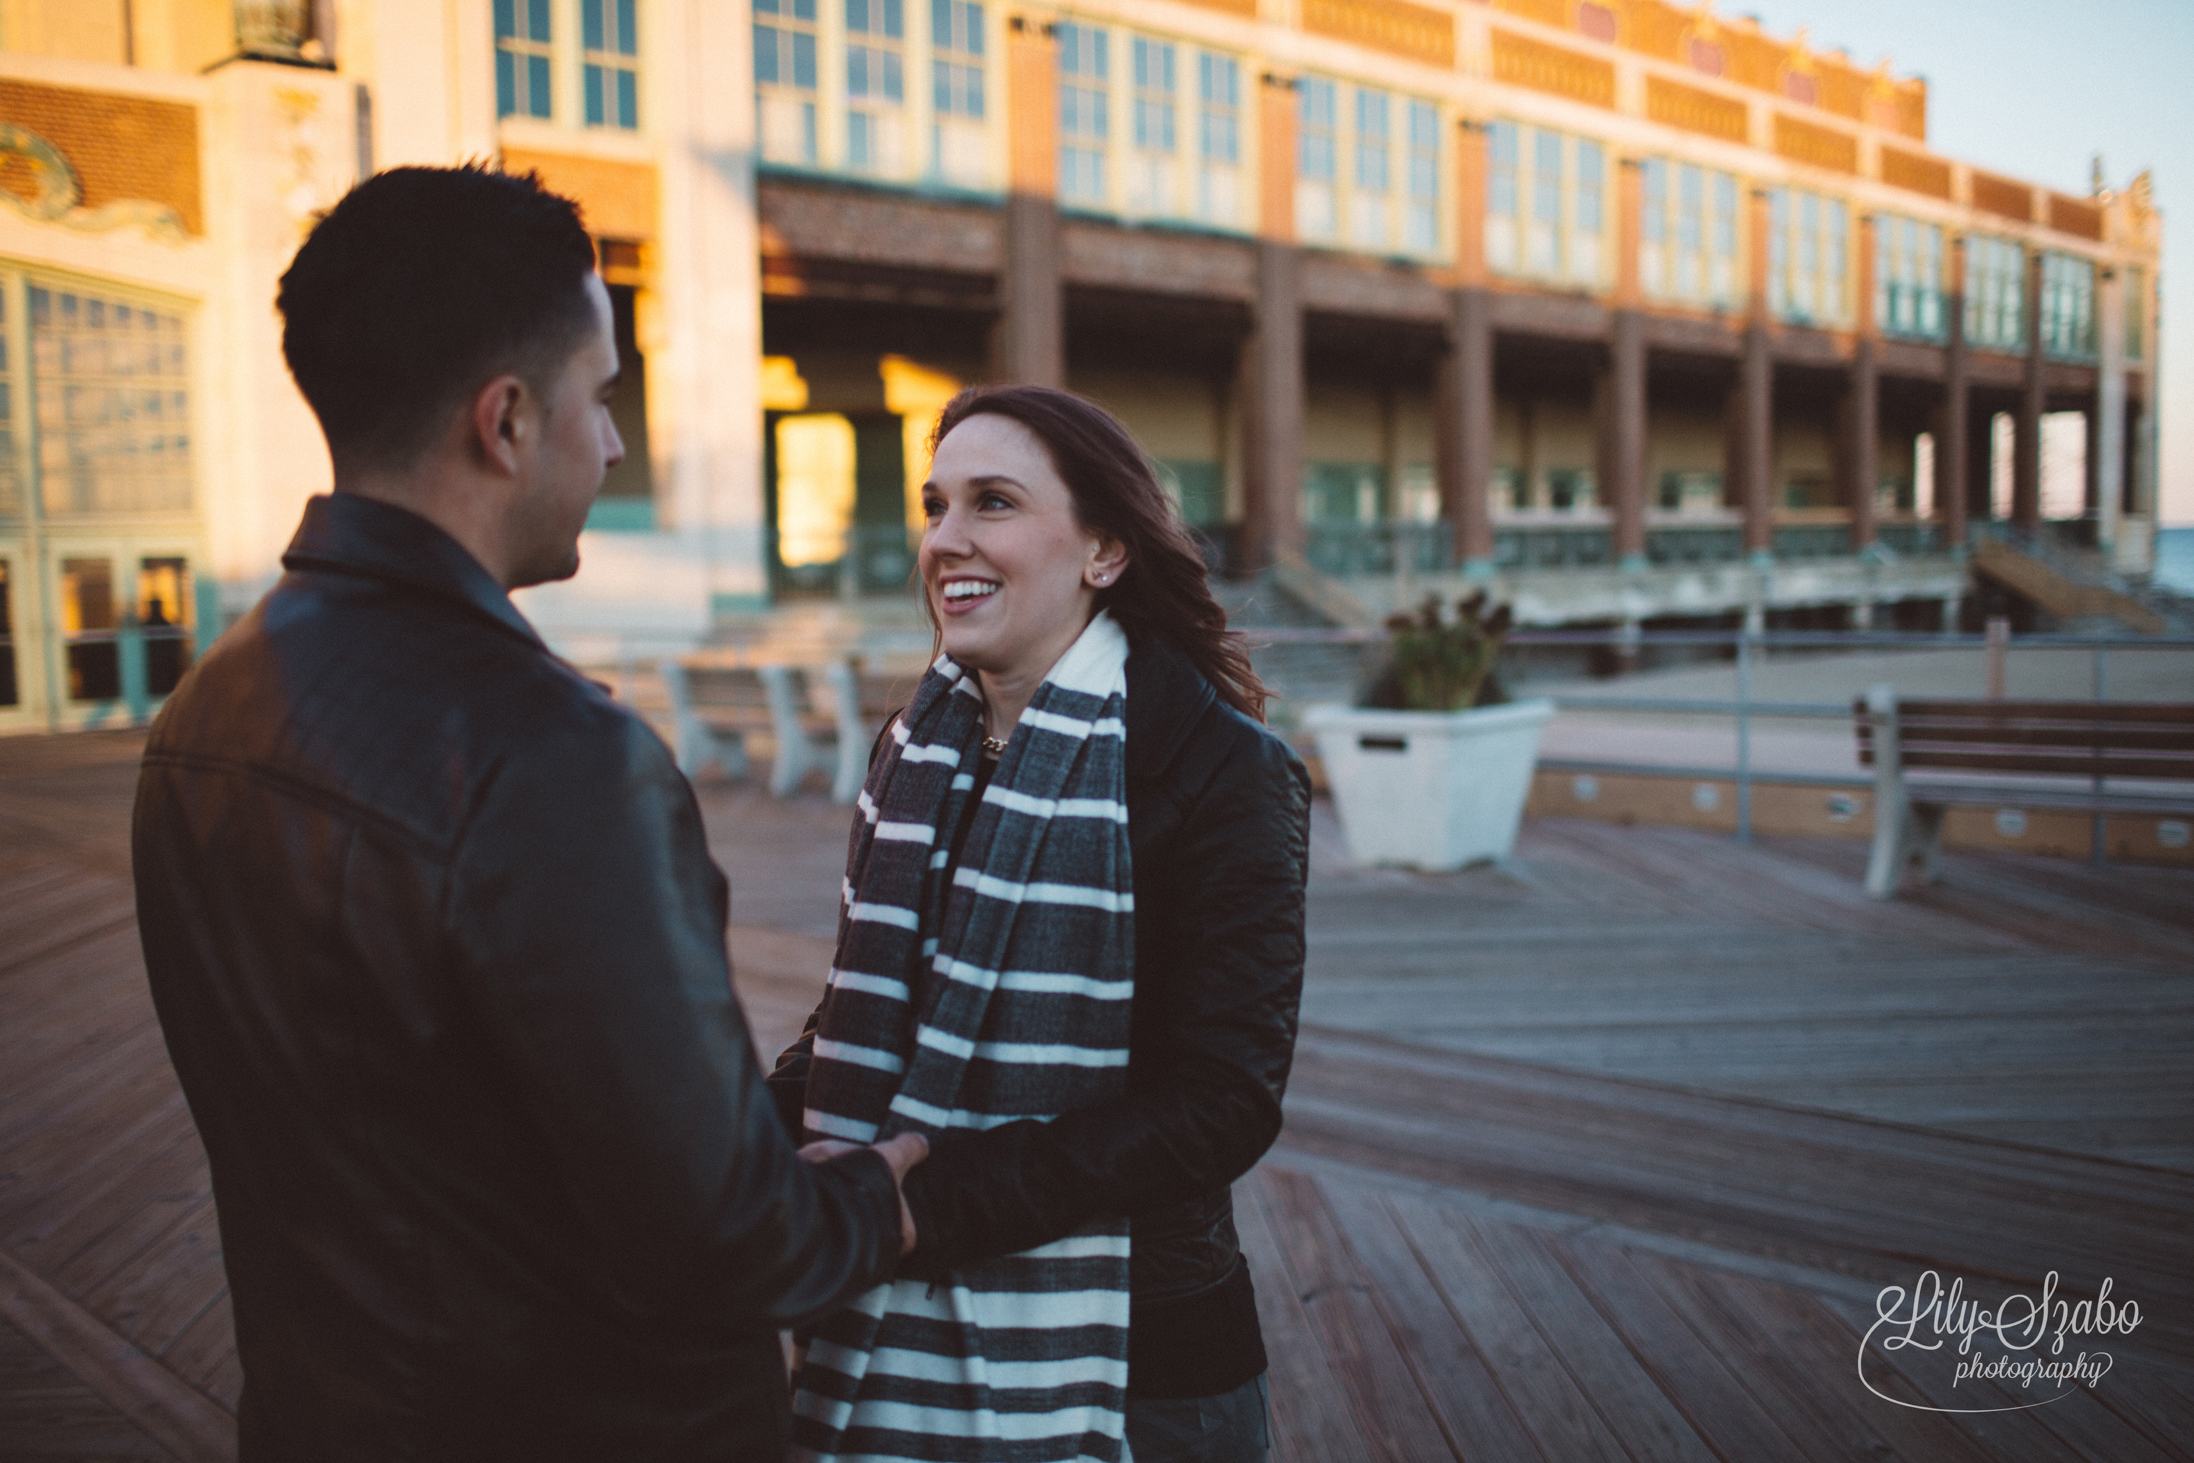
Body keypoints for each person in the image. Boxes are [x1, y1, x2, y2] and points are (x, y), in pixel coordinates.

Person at [131, 165, 926, 1463]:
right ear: (503, 421)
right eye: (602, 397)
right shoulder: (550, 753)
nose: (614, 442)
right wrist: (870, 1205)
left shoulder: (203, 711)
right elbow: (722, 1231)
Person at [770, 385, 1310, 1463]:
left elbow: (1221, 1103)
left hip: (1136, 1356)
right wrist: (747, 1147)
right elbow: (858, 1015)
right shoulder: (918, 752)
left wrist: (931, 1203)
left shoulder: (1220, 769)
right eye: (935, 505)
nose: (945, 538)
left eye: (994, 502)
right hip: (888, 1320)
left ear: (1105, 550)